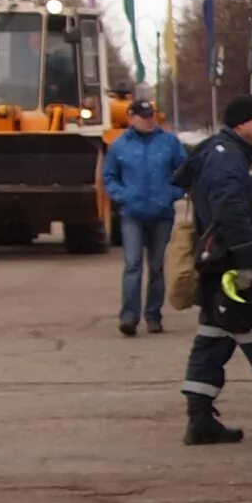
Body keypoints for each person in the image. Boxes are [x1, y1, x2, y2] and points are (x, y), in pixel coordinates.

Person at [179, 94, 252, 445]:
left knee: (213, 337)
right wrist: (245, 262)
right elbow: (231, 212)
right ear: (242, 123)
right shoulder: (227, 160)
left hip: (221, 269)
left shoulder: (229, 155)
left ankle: (200, 417)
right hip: (235, 270)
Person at [101, 96, 182, 338]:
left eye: (151, 116)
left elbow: (184, 171)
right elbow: (109, 177)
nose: (149, 121)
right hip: (132, 214)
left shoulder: (169, 142)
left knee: (156, 266)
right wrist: (122, 195)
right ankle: (129, 317)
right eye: (144, 117)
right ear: (131, 118)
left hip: (162, 214)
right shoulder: (119, 146)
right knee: (133, 264)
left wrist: (172, 193)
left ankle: (153, 315)